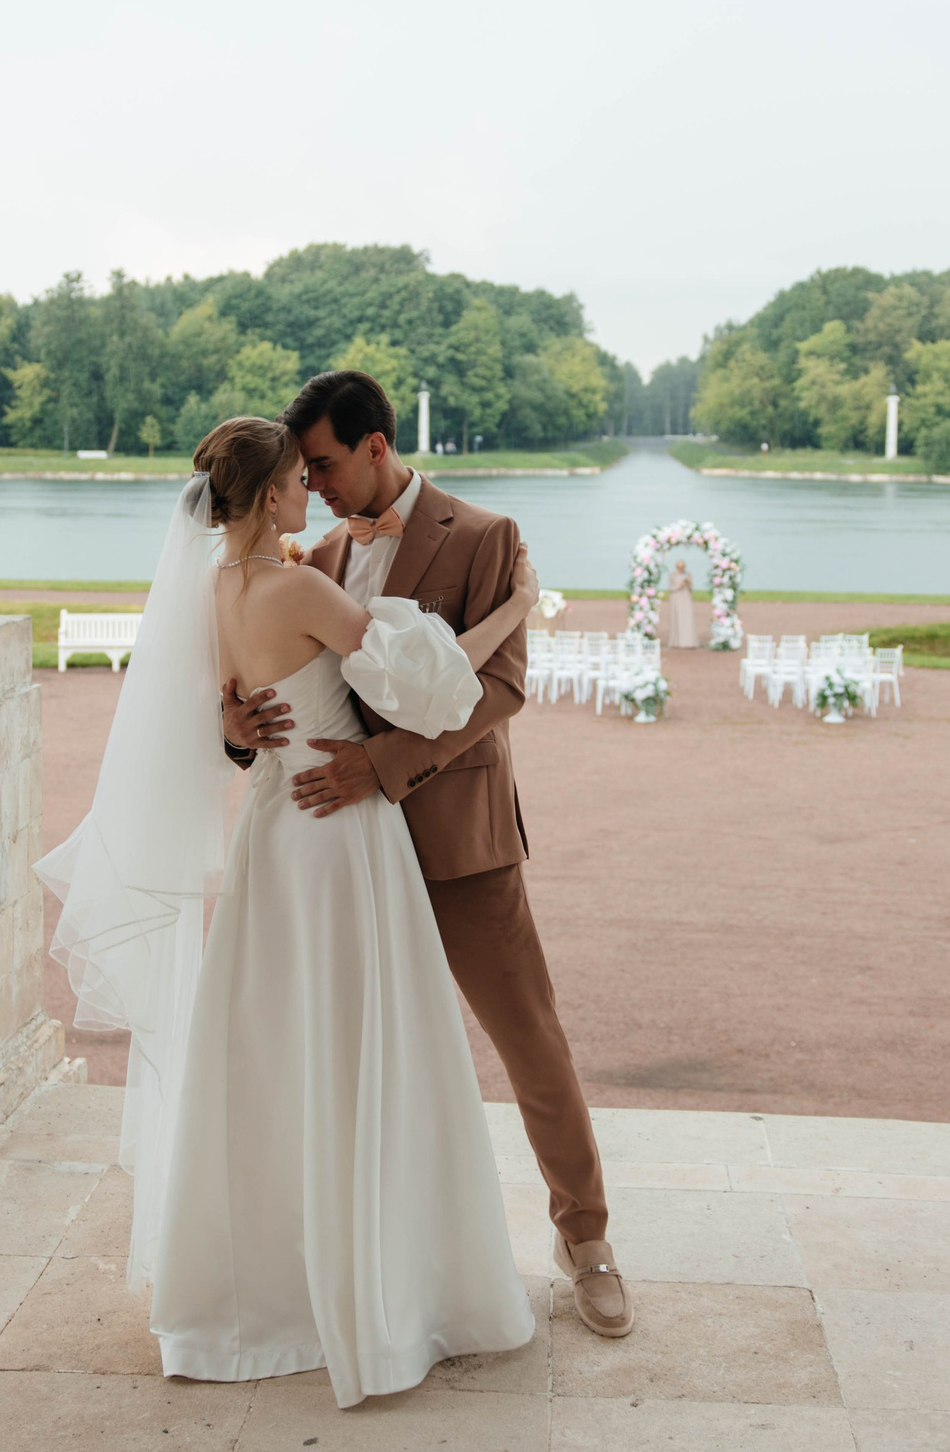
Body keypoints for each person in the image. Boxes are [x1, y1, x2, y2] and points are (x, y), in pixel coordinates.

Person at [38, 416, 545, 1406]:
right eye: (297, 483)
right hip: (340, 834)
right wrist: (514, 607)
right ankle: (376, 1296)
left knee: (271, 1058)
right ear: (271, 495)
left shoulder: (213, 591)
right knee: (363, 1050)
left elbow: (215, 712)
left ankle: (265, 1296)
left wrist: (234, 724)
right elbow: (432, 685)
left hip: (271, 829)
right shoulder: (297, 584)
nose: (311, 493)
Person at [221, 371, 634, 1342]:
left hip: (456, 841)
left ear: (375, 446)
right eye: (300, 469)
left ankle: (588, 1244)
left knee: (529, 1042)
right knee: (344, 1059)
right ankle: (376, 1261)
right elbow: (267, 691)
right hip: (333, 854)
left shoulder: (485, 537)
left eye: (322, 462)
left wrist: (384, 768)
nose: (311, 482)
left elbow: (497, 687)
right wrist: (236, 731)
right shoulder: (310, 552)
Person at [663, 558, 702, 648]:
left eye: (682, 567)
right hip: (676, 598)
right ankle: (677, 641)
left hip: (685, 597)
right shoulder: (672, 575)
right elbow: (670, 588)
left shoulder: (688, 574)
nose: (681, 568)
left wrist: (688, 583)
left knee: (687, 618)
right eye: (679, 567)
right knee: (677, 617)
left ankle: (688, 640)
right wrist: (679, 585)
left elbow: (691, 588)